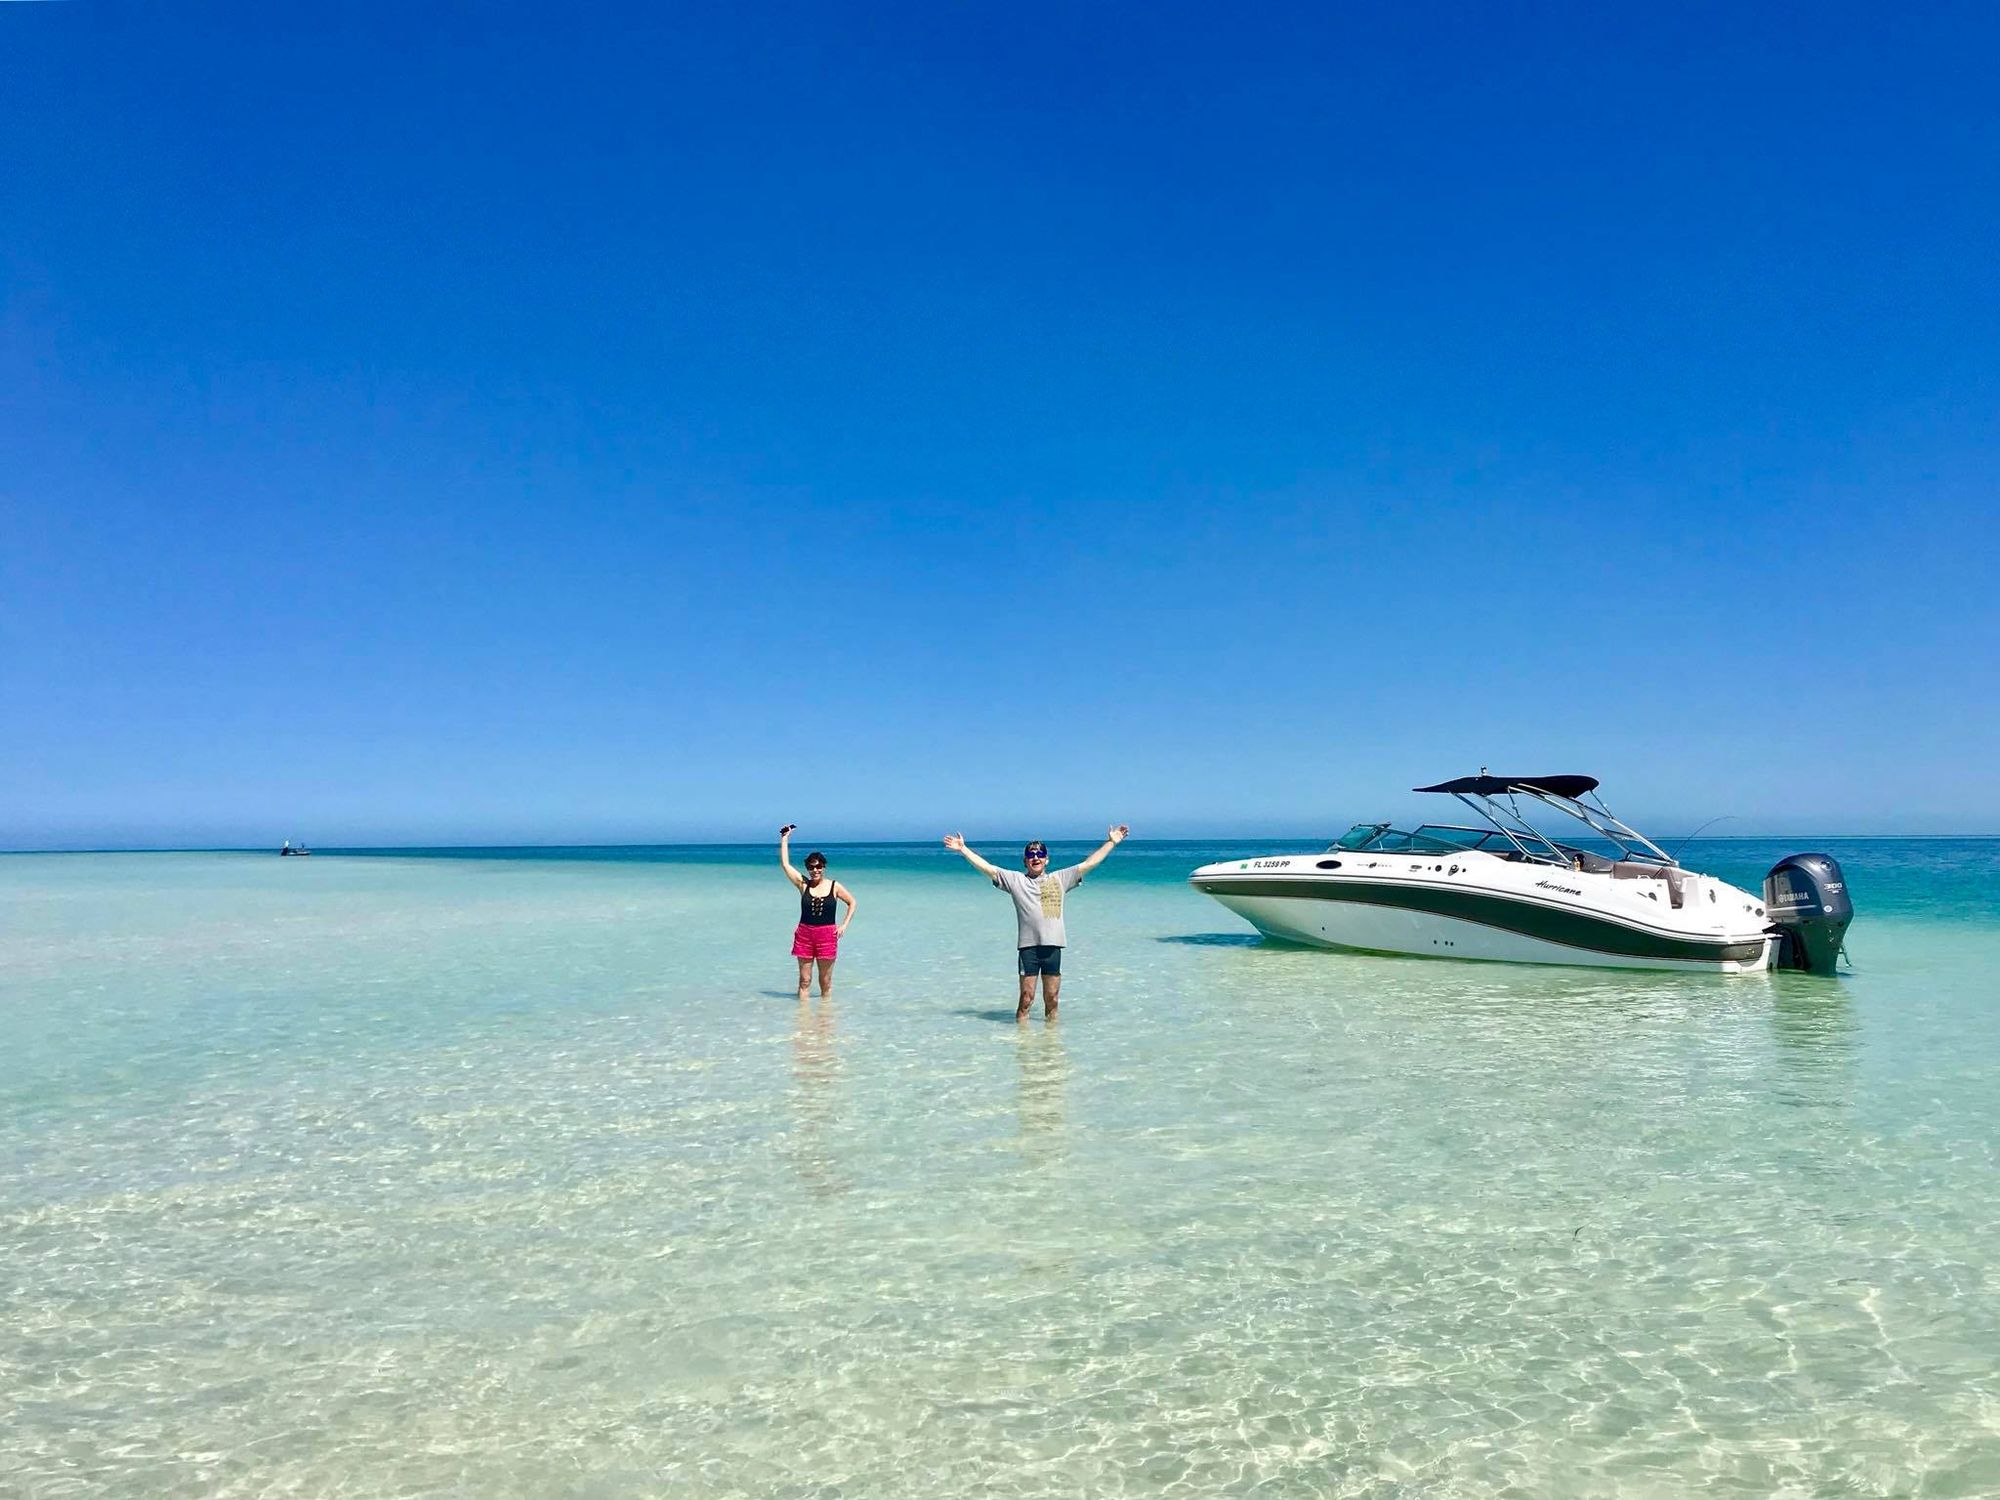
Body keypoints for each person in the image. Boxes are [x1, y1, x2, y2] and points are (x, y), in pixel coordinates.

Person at [942, 825, 1129, 1021]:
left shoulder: (1060, 879)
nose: (1036, 858)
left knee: (1052, 999)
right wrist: (963, 849)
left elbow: (1089, 863)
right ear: (1025, 861)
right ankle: (1023, 1046)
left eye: (1040, 854)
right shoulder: (1015, 881)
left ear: (1047, 859)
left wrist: (1111, 843)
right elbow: (987, 868)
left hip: (1053, 947)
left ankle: (1051, 1045)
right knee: (1026, 999)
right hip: (1028, 948)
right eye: (1031, 855)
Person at [779, 826, 855, 1000]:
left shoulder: (835, 886)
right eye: (811, 867)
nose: (815, 870)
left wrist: (844, 925)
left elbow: (852, 902)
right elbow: (785, 865)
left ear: (824, 867)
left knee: (825, 981)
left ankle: (825, 1021)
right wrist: (784, 839)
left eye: (819, 866)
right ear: (807, 868)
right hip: (805, 934)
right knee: (804, 981)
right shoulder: (803, 885)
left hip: (827, 936)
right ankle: (803, 1022)